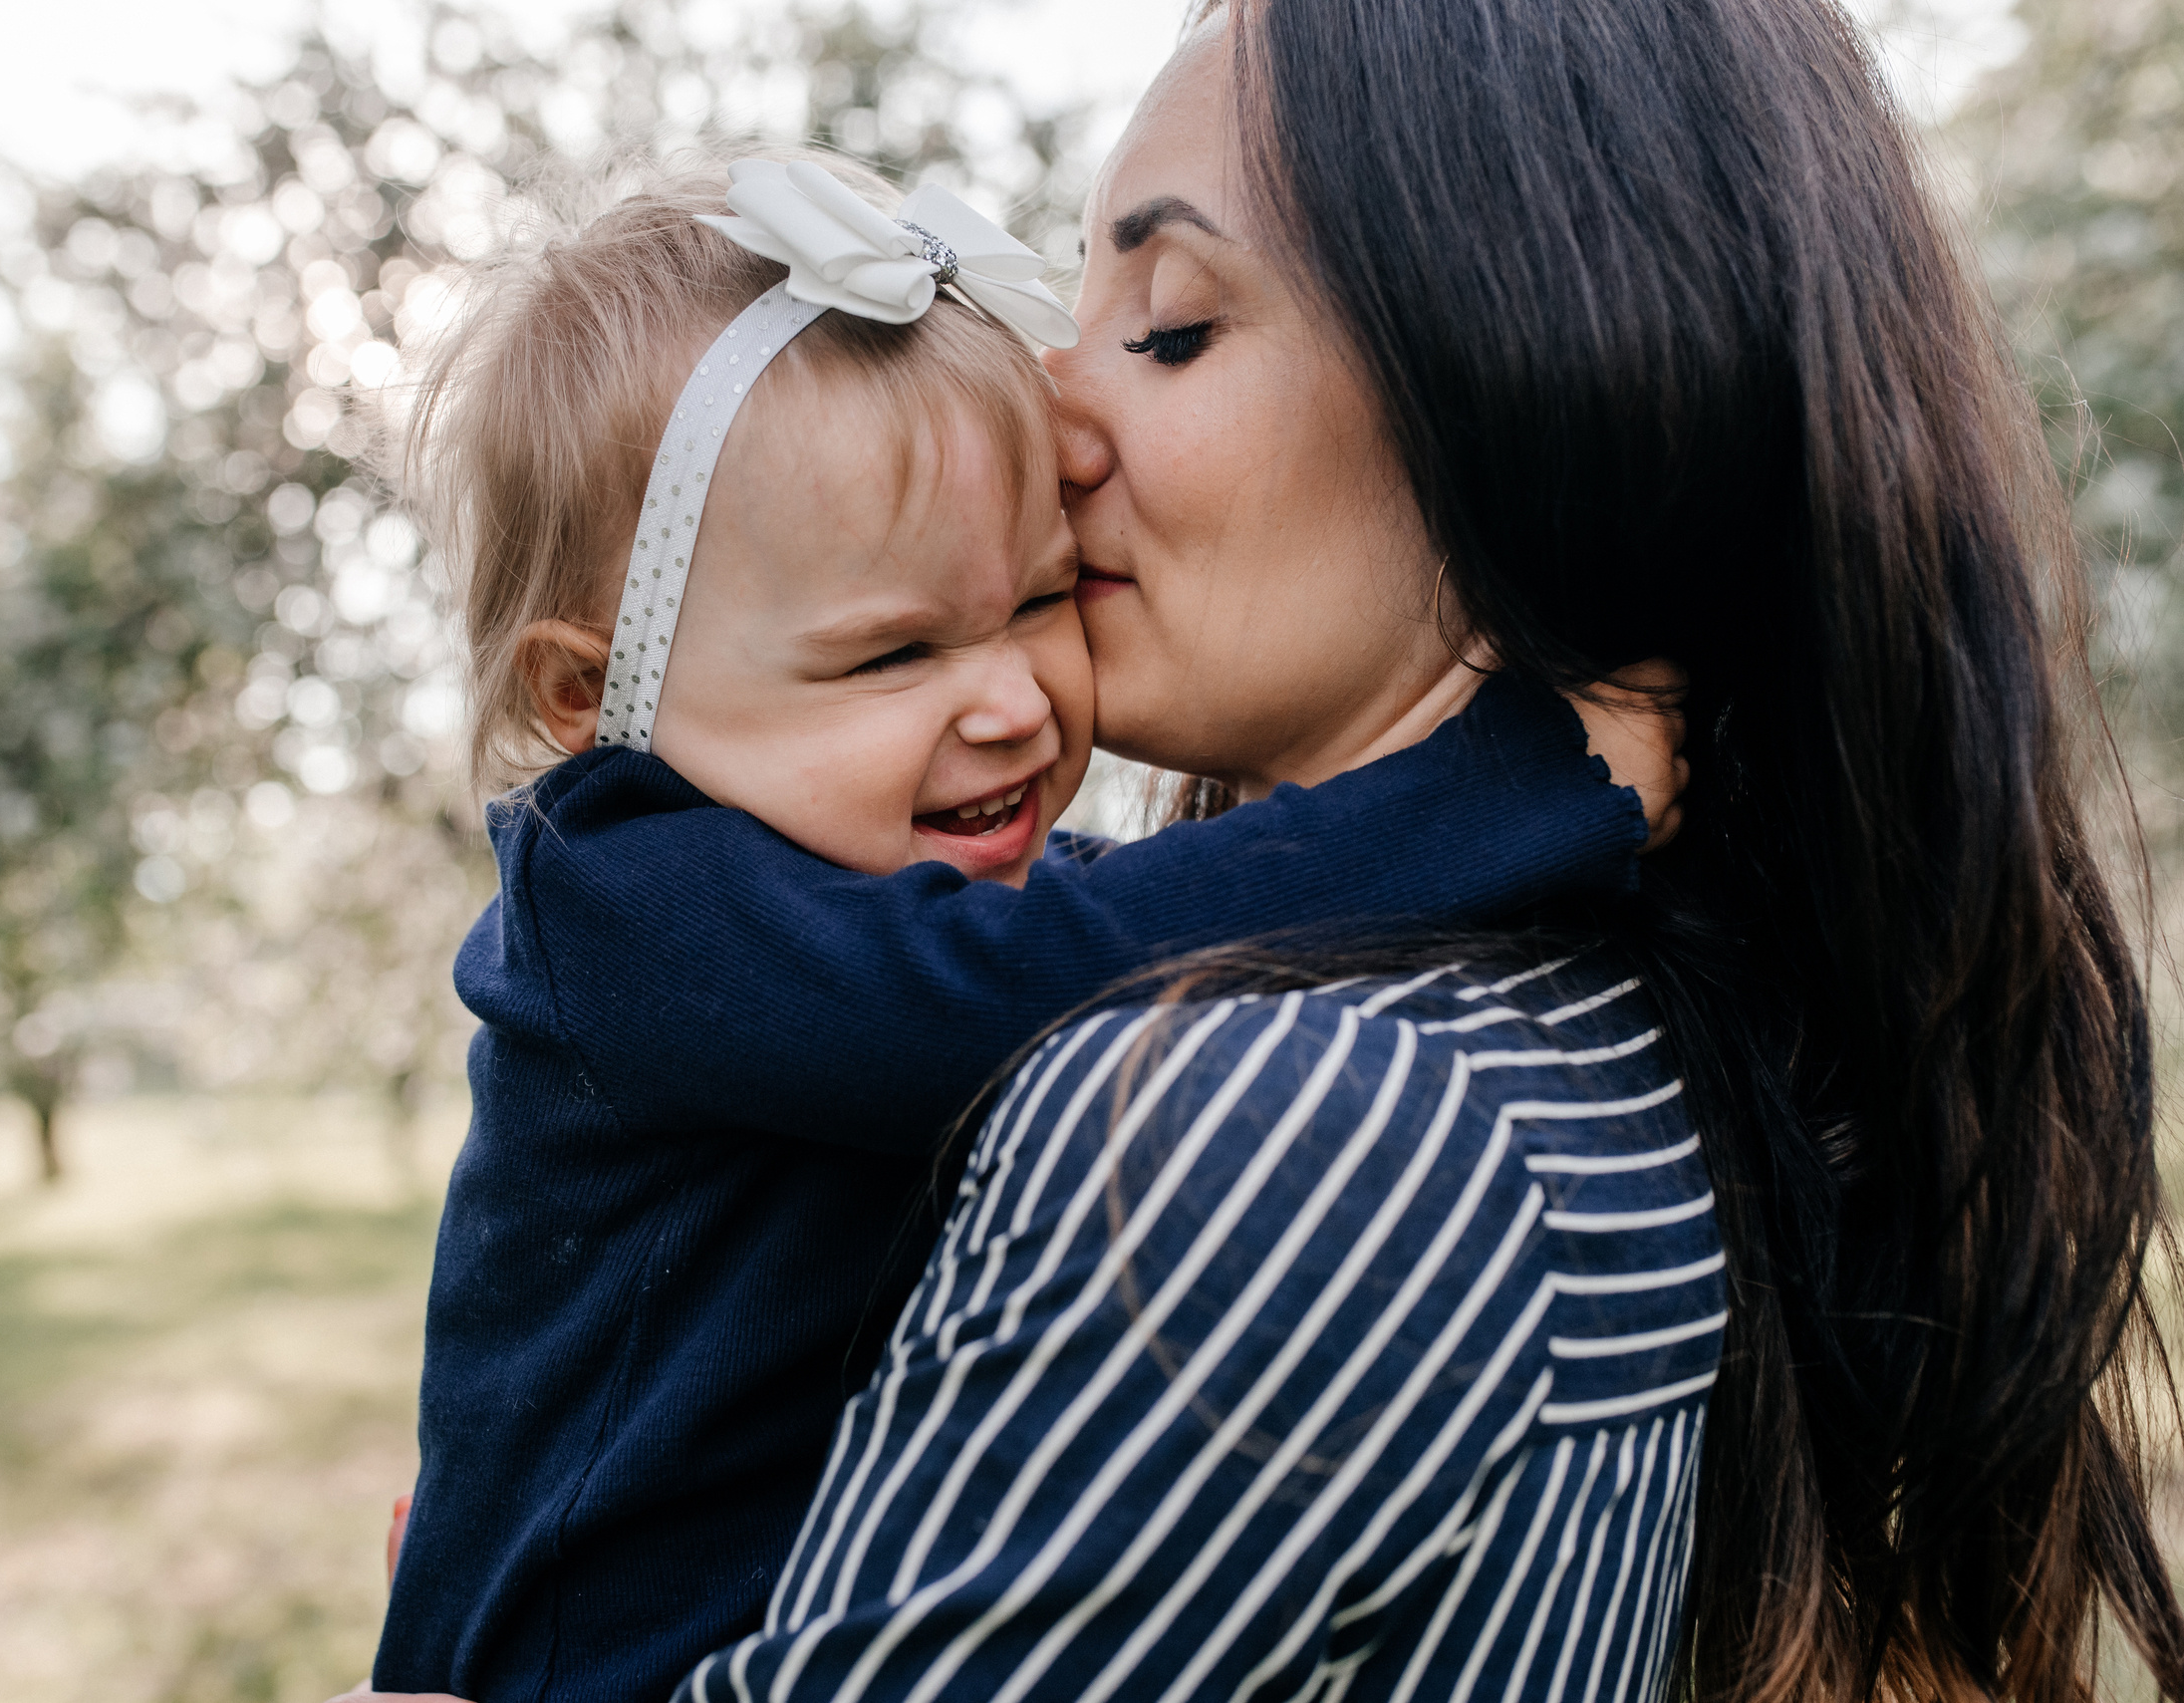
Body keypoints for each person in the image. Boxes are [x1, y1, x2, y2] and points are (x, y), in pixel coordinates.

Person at [657, 0, 2184, 1697]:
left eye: (1170, 329)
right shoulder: (1610, 1038)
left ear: (1545, 387)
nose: (1046, 413)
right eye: (1067, 310)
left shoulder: (1283, 1128)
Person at [365, 149, 1683, 1703]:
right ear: (593, 693)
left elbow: (1092, 922)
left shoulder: (844, 877)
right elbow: (1027, 978)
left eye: (1042, 600)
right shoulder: (626, 895)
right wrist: (1512, 789)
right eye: (891, 654)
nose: (1011, 701)